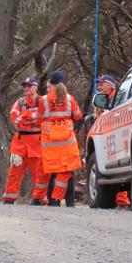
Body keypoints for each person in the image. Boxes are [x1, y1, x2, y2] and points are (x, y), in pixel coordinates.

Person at [37, 70, 83, 207]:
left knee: (51, 172)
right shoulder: (70, 99)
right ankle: (61, 200)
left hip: (50, 143)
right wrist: (71, 129)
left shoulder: (44, 100)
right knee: (66, 172)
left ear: (51, 84)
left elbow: (39, 119)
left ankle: (52, 200)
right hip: (67, 143)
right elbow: (78, 117)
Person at [3, 78, 49, 205]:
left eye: (29, 86)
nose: (26, 88)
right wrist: (30, 118)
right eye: (24, 86)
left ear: (36, 87)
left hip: (37, 143)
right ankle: (9, 198)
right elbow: (15, 119)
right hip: (20, 143)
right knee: (14, 172)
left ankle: (40, 198)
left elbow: (42, 119)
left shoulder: (42, 101)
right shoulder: (20, 102)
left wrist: (25, 117)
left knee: (38, 173)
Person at [95, 74, 130, 208]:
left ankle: (122, 201)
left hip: (114, 137)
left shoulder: (116, 98)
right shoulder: (106, 99)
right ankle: (119, 201)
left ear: (110, 85)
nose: (99, 87)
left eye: (102, 84)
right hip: (107, 138)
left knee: (117, 169)